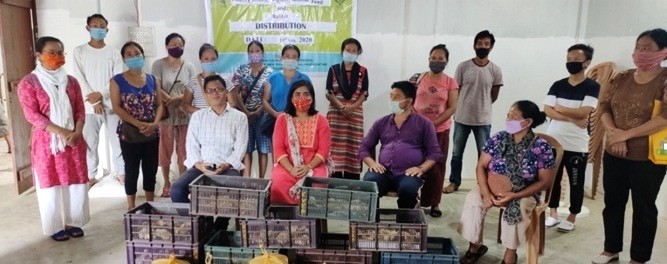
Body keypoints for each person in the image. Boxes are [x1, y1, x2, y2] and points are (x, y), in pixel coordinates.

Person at [593, 28, 667, 264]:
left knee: (644, 208)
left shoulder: (664, 79)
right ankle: (610, 249)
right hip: (614, 149)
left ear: (663, 52)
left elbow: (666, 116)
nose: (640, 52)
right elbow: (604, 106)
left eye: (647, 48)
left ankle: (639, 258)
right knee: (613, 202)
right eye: (638, 47)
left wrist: (626, 135)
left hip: (649, 156)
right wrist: (615, 134)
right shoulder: (622, 77)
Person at [458, 100, 554, 264]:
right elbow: (481, 166)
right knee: (474, 199)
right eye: (508, 115)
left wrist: (514, 195)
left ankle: (510, 255)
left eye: (513, 117)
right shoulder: (498, 138)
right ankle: (474, 246)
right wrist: (487, 194)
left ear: (528, 122)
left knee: (519, 206)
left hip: (523, 191)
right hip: (491, 186)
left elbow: (545, 181)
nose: (508, 119)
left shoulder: (541, 147)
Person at [17, 36, 90, 241]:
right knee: (50, 183)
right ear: (38, 55)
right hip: (47, 141)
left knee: (75, 182)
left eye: (60, 52)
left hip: (74, 139)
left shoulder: (72, 81)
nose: (57, 56)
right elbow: (32, 115)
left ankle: (74, 222)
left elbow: (80, 110)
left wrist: (76, 132)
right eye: (51, 52)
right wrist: (62, 132)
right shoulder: (29, 82)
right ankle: (54, 226)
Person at [543, 44, 600, 232]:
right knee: (552, 179)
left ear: (587, 62)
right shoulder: (558, 84)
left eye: (576, 60)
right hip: (553, 140)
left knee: (576, 181)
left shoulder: (592, 87)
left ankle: (572, 216)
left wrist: (559, 108)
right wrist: (570, 116)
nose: (571, 63)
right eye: (569, 59)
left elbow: (585, 111)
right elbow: (547, 109)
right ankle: (552, 213)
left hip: (577, 144)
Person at [359, 81, 442, 209]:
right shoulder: (381, 123)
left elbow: (434, 153)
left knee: (408, 189)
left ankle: (405, 224)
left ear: (409, 102)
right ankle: (371, 225)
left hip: (409, 174)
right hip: (383, 172)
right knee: (369, 185)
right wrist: (372, 164)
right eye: (391, 96)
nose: (391, 100)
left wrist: (420, 169)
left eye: (396, 97)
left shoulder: (424, 124)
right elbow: (364, 147)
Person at [171, 74, 248, 203]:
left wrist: (225, 165)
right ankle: (197, 221)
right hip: (202, 166)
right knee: (177, 190)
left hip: (227, 168)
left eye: (219, 89)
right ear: (205, 96)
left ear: (226, 92)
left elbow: (240, 148)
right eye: (210, 91)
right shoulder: (198, 116)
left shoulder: (240, 117)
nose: (215, 93)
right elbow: (191, 146)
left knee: (231, 190)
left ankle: (220, 224)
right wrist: (200, 165)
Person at [446, 30, 503, 194]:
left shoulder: (495, 70)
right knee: (457, 154)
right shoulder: (463, 66)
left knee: (484, 156)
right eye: (479, 43)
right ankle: (454, 182)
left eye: (486, 44)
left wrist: (481, 105)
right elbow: (456, 90)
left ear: (491, 47)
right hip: (462, 118)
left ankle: (482, 184)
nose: (482, 47)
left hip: (483, 120)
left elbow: (494, 95)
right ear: (474, 45)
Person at [111, 41, 164, 210]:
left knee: (151, 169)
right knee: (131, 170)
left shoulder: (153, 80)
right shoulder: (117, 81)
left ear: (143, 56)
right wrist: (138, 123)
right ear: (124, 59)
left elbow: (160, 105)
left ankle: (150, 205)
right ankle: (131, 207)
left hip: (152, 132)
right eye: (129, 54)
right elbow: (117, 107)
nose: (134, 57)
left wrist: (154, 123)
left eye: (137, 53)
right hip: (130, 133)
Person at [72, 13, 125, 186]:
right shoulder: (79, 51)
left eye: (102, 26)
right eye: (95, 25)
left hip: (112, 104)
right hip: (89, 107)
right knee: (89, 142)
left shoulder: (114, 52)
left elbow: (116, 77)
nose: (99, 29)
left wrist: (102, 95)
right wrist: (94, 102)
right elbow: (79, 78)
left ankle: (121, 172)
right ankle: (91, 174)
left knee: (117, 140)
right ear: (88, 28)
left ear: (107, 29)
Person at [409, 44, 459, 217]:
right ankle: (415, 200)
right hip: (416, 128)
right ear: (428, 59)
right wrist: (420, 121)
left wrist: (435, 123)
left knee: (437, 167)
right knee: (415, 163)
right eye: (433, 58)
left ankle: (434, 203)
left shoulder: (450, 82)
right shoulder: (417, 78)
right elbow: (407, 100)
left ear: (446, 61)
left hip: (440, 130)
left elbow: (452, 107)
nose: (436, 61)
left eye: (440, 58)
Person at [270, 80, 331, 205]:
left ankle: (312, 221)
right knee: (278, 183)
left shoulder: (321, 120)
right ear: (291, 98)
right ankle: (284, 219)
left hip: (314, 165)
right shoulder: (282, 119)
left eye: (306, 94)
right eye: (297, 94)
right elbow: (278, 149)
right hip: (288, 165)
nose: (302, 97)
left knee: (317, 185)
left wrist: (308, 167)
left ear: (312, 98)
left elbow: (323, 150)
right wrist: (291, 169)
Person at [152, 33, 197, 197]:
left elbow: (193, 89)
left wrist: (178, 99)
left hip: (185, 114)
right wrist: (171, 100)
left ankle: (182, 183)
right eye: (173, 43)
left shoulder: (190, 66)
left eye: (180, 44)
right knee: (165, 150)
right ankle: (167, 183)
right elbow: (156, 86)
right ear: (166, 46)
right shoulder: (158, 65)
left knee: (184, 151)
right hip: (166, 115)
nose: (177, 47)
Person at [325, 38, 369, 180]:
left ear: (358, 53)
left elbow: (365, 93)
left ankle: (352, 187)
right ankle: (333, 187)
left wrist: (352, 107)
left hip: (354, 118)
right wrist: (341, 107)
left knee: (353, 149)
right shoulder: (333, 69)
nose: (350, 53)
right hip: (336, 117)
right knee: (334, 149)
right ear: (342, 51)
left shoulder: (363, 71)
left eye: (354, 51)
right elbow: (328, 92)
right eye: (347, 50)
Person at [230, 41, 273, 178]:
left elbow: (268, 97)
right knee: (246, 149)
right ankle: (247, 179)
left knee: (263, 149)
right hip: (244, 115)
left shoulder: (269, 72)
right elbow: (235, 93)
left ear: (263, 53)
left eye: (257, 51)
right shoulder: (241, 70)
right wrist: (246, 112)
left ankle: (261, 180)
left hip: (263, 115)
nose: (255, 54)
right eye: (252, 51)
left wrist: (258, 112)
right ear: (248, 54)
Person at [261, 44, 311, 140]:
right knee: (277, 153)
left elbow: (310, 101)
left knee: (297, 153)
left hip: (298, 122)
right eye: (287, 56)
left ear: (298, 60)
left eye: (294, 57)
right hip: (276, 121)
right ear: (281, 58)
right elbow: (265, 101)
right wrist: (275, 114)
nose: (290, 59)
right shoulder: (273, 78)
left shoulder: (305, 79)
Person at [181, 43, 219, 114]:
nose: (210, 62)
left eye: (213, 59)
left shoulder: (225, 81)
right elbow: (185, 104)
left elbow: (232, 103)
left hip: (221, 121)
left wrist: (220, 112)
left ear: (217, 60)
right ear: (200, 60)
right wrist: (202, 113)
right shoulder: (193, 82)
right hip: (201, 123)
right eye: (206, 59)